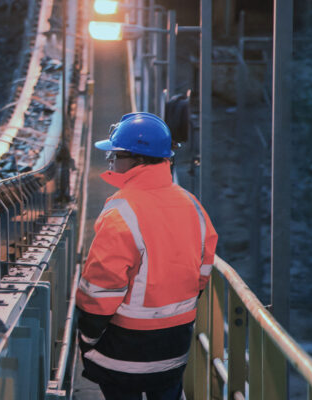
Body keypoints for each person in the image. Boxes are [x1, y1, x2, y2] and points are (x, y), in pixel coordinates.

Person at [76, 112, 218, 400]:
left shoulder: (121, 211)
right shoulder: (192, 205)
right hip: (174, 348)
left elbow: (100, 289)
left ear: (136, 160)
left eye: (114, 154)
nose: (109, 161)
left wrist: (87, 338)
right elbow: (203, 272)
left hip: (123, 352)